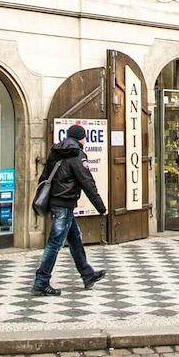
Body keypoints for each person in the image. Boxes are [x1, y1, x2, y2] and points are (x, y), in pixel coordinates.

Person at [32, 124, 107, 297]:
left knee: (75, 238)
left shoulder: (56, 152)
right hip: (64, 204)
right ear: (81, 138)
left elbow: (44, 177)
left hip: (57, 203)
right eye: (84, 138)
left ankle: (87, 274)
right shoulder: (77, 155)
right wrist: (100, 207)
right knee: (54, 244)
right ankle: (41, 282)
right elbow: (87, 182)